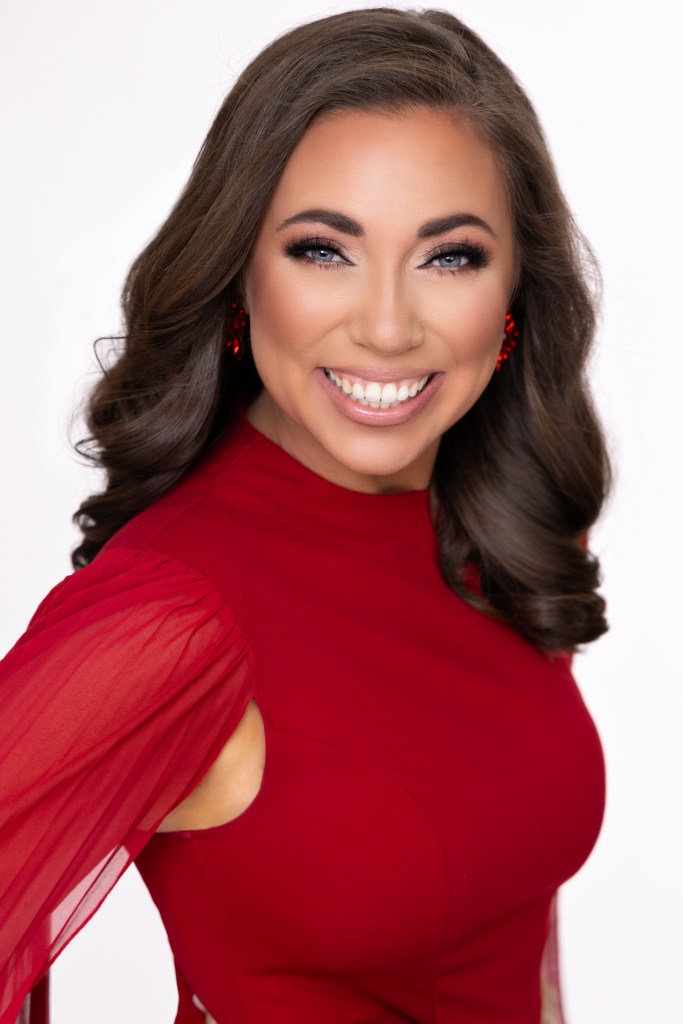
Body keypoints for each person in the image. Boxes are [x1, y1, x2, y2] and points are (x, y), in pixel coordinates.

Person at [0, 7, 610, 1024]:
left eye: (449, 257)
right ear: (238, 275)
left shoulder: (502, 524)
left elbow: (518, 949)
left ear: (513, 296)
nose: (385, 327)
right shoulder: (173, 618)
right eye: (323, 250)